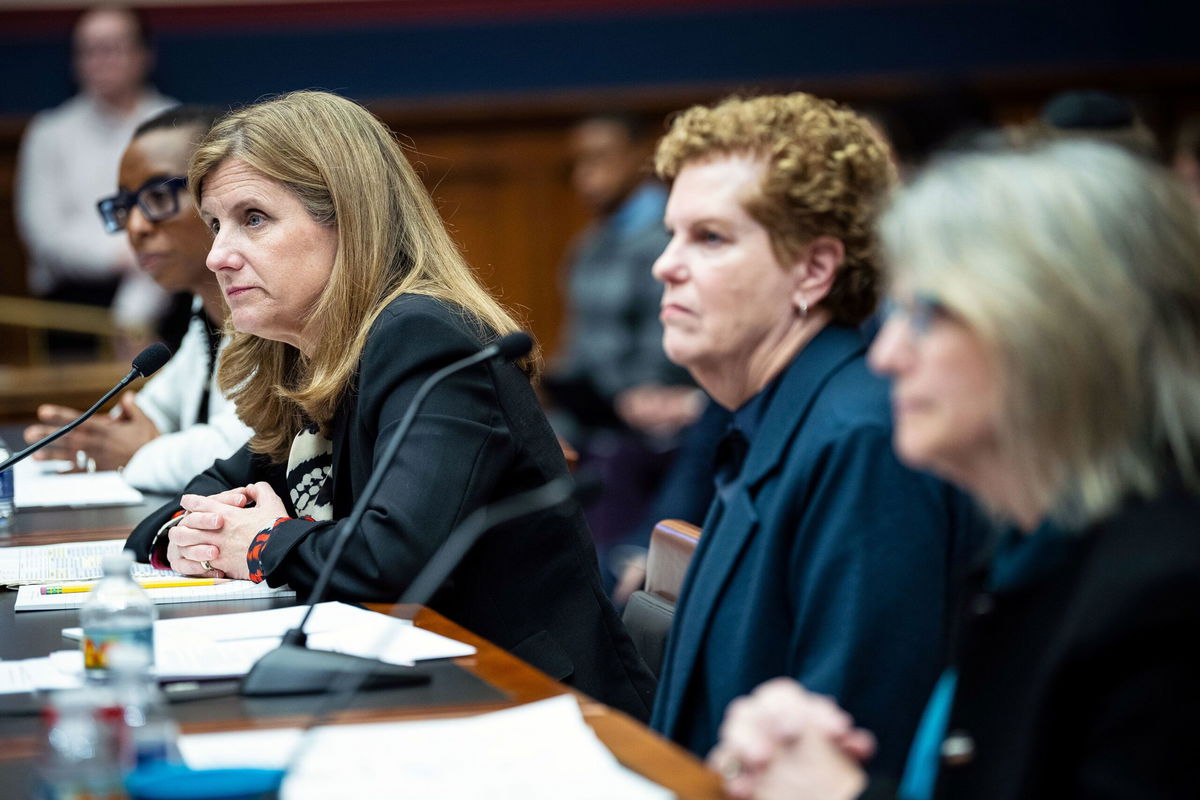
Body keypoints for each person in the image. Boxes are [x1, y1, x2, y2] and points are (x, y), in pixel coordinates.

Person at [124, 91, 657, 719]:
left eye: (254, 219)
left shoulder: (424, 335)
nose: (218, 255)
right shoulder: (313, 356)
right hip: (426, 689)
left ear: (347, 219)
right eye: (215, 224)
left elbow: (389, 559)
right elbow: (167, 516)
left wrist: (262, 540)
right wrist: (188, 537)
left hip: (534, 704)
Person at [709, 141, 1200, 799]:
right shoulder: (1025, 549)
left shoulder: (1168, 598)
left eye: (925, 315)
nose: (884, 356)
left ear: (1056, 334)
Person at [647, 93, 987, 775]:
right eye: (671, 234)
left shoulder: (864, 437)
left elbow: (847, 739)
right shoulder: (778, 412)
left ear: (814, 270)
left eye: (709, 238)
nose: (666, 265)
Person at [21, 105, 253, 493]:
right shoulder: (205, 308)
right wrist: (105, 437)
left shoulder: (268, 303)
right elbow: (154, 411)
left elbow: (243, 448)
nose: (135, 226)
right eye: (125, 207)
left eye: (158, 196)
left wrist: (142, 450)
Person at [545, 113, 702, 573]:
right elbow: (578, 343)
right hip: (592, 412)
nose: (584, 177)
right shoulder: (588, 246)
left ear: (638, 158)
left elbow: (669, 353)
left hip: (650, 424)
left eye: (599, 159)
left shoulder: (669, 241)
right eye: (577, 164)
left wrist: (625, 394)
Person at [15, 6, 174, 351]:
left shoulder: (173, 125)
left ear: (143, 54)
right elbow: (44, 235)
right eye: (89, 50)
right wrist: (119, 256)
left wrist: (133, 315)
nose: (100, 60)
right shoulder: (49, 133)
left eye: (113, 47)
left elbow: (180, 227)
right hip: (72, 304)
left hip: (162, 294)